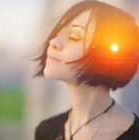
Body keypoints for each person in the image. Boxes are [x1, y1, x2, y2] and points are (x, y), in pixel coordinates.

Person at [33, 0, 139, 140]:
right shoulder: (46, 131)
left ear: (105, 55)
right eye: (59, 32)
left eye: (74, 37)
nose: (54, 42)